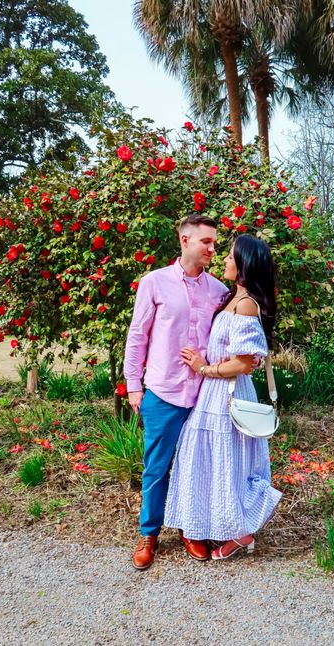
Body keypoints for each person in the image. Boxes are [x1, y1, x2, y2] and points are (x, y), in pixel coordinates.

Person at [164, 235, 282, 559]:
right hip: (214, 393)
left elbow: (244, 363)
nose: (225, 261)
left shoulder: (245, 305)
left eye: (231, 257)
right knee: (213, 461)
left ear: (244, 265)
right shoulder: (234, 298)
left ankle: (241, 533)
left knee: (226, 463)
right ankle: (218, 528)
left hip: (225, 391)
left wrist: (205, 368)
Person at [124, 213, 228, 570]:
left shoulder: (218, 290)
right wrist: (134, 385)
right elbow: (138, 335)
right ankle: (149, 533)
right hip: (163, 392)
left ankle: (191, 529)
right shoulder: (154, 282)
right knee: (156, 468)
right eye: (207, 242)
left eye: (215, 243)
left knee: (197, 466)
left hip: (204, 395)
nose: (213, 248)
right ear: (185, 240)